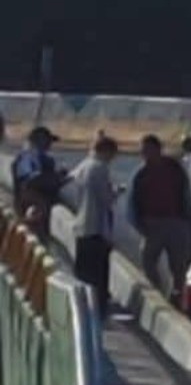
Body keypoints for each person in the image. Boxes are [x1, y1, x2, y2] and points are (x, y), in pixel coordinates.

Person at [129, 134, 191, 303]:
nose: (144, 154)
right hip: (152, 224)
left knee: (179, 266)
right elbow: (132, 202)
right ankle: (157, 293)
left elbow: (186, 196)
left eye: (148, 150)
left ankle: (177, 297)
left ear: (157, 149)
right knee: (148, 261)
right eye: (143, 151)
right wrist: (140, 225)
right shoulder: (141, 174)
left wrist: (189, 223)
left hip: (176, 222)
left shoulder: (174, 168)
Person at [70, 134, 119, 318]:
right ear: (106, 151)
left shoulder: (82, 167)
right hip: (96, 228)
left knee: (83, 271)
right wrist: (116, 192)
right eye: (112, 154)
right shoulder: (100, 168)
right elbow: (105, 199)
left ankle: (82, 309)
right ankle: (98, 311)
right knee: (98, 274)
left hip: (81, 226)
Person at [11, 126, 64, 240]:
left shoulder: (24, 156)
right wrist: (57, 179)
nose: (50, 145)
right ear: (39, 140)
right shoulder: (30, 157)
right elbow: (32, 179)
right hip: (35, 210)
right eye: (48, 141)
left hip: (28, 209)